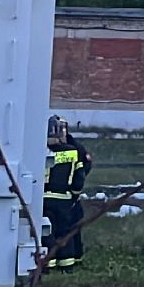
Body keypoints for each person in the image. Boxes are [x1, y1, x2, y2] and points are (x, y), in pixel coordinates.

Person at [41, 115, 91, 269]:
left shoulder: (39, 150)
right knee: (65, 232)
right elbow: (80, 176)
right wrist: (75, 193)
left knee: (46, 231)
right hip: (65, 199)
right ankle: (67, 264)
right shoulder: (74, 151)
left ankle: (47, 263)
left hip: (43, 198)